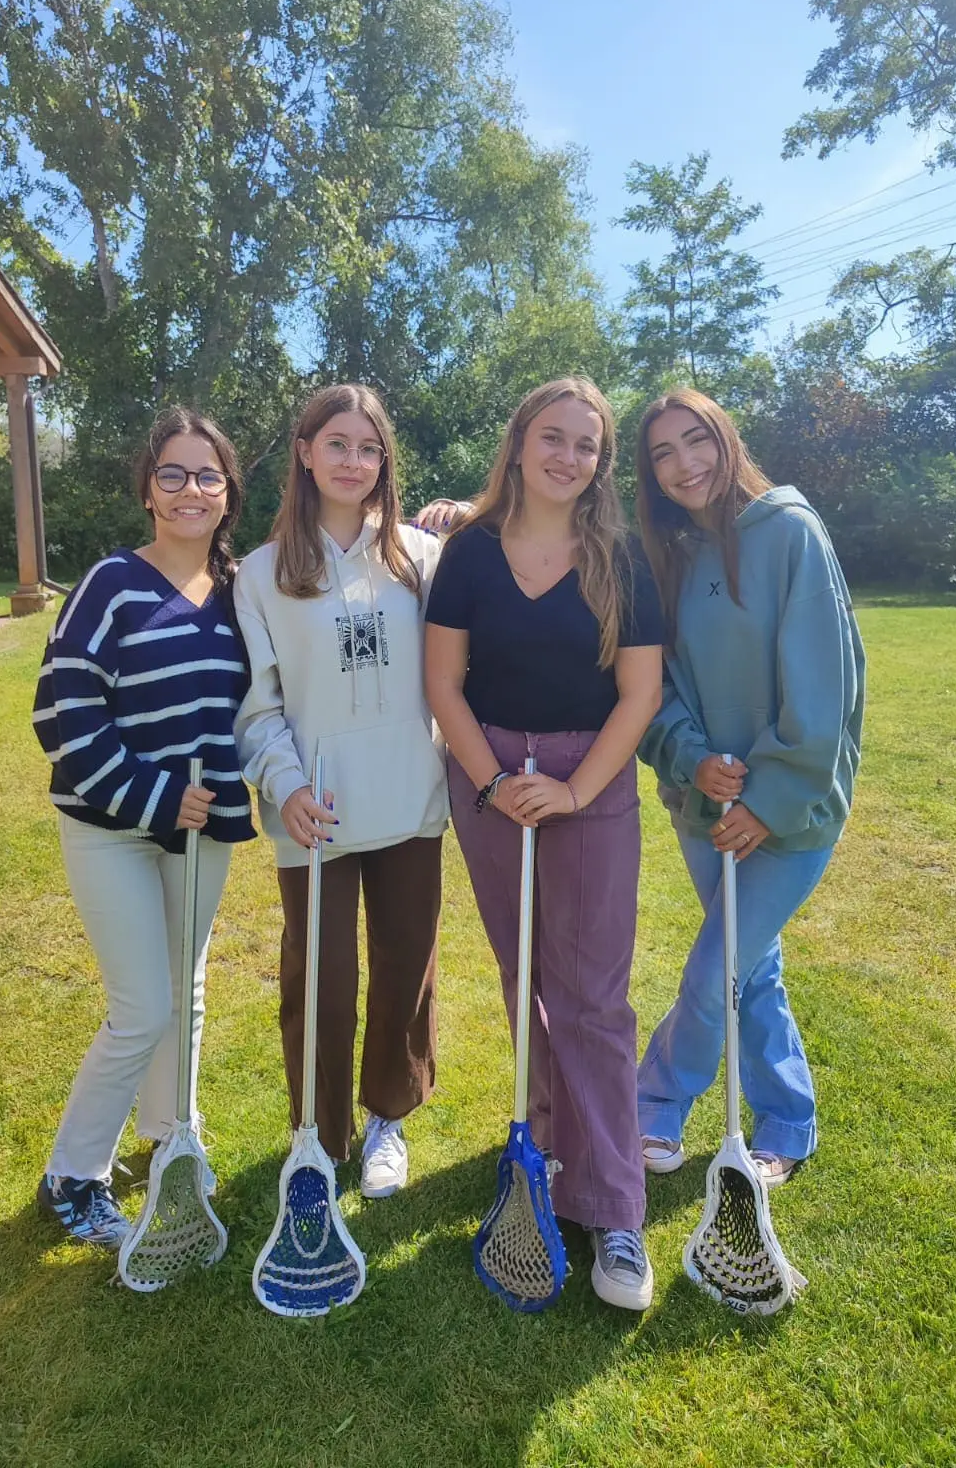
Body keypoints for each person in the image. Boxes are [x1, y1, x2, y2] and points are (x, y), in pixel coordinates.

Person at [424, 376, 665, 1312]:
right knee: (525, 977)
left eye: (588, 445)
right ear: (520, 443)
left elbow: (639, 695)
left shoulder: (621, 558)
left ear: (601, 463)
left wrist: (571, 789)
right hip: (488, 781)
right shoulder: (470, 553)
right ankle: (547, 1152)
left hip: (590, 784)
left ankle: (613, 1210)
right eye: (553, 437)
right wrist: (491, 783)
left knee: (594, 996)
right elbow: (445, 684)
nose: (569, 456)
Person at [32, 407, 255, 1248]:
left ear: (228, 493)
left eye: (207, 475)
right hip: (111, 826)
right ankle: (73, 1175)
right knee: (142, 1006)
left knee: (185, 990)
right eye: (173, 473)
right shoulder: (111, 583)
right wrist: (156, 798)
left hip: (199, 832)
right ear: (148, 489)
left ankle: (171, 1133)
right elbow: (62, 712)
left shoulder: (241, 591)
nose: (190, 488)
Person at [632, 387, 865, 1188]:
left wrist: (767, 799)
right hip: (703, 806)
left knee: (716, 969)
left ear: (725, 440)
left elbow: (824, 689)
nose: (683, 465)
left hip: (789, 816)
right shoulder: (665, 553)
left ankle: (652, 1102)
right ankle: (789, 1119)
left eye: (695, 442)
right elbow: (652, 683)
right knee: (750, 967)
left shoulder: (791, 532)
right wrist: (692, 757)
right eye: (662, 454)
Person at [233, 384, 447, 1199]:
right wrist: (284, 785)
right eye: (337, 444)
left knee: (404, 964)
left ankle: (387, 1119)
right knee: (318, 974)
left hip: (410, 801)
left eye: (368, 448)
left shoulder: (420, 560)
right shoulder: (261, 574)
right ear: (305, 452)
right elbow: (256, 707)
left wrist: (466, 512)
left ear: (383, 461)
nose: (353, 462)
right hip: (313, 811)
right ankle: (318, 1136)